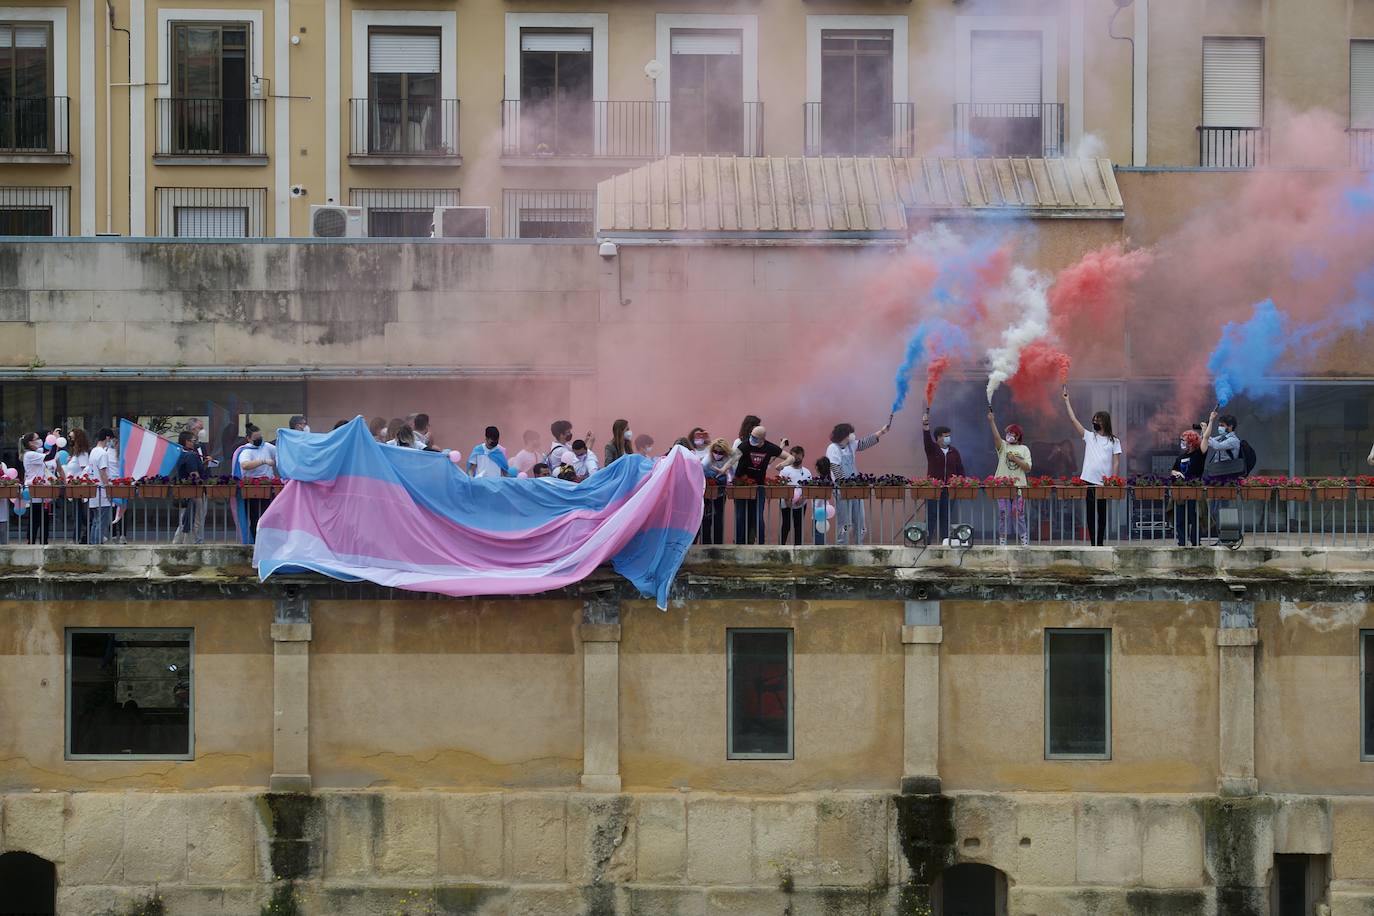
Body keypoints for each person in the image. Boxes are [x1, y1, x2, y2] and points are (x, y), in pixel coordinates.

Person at [1062, 388, 1122, 546]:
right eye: (1094, 420)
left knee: (1102, 513)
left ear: (1104, 422)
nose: (1095, 422)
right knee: (1090, 513)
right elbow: (1073, 420)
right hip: (1089, 480)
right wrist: (1067, 401)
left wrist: (1113, 480)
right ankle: (1093, 543)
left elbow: (1116, 461)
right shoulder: (1089, 436)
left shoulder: (1114, 441)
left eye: (1098, 420)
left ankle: (1100, 543)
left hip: (1104, 482)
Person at [825, 421, 890, 546]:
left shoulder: (851, 445)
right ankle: (842, 546)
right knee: (845, 521)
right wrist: (845, 485)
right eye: (850, 433)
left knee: (859, 519)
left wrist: (882, 432)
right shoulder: (833, 448)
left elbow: (864, 443)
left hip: (855, 489)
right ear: (844, 434)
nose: (853, 435)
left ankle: (859, 544)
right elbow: (835, 468)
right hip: (842, 490)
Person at [987, 407, 1033, 547]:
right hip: (1002, 486)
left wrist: (1015, 459)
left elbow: (1028, 467)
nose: (1010, 435)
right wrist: (992, 421)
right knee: (1003, 513)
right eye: (1008, 433)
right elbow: (996, 437)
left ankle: (1023, 539)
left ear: (1018, 436)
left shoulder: (1024, 449)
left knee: (1018, 513)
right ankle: (1002, 540)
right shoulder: (1003, 447)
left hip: (1019, 487)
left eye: (1013, 434)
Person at [734, 425, 785, 544]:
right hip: (742, 485)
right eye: (752, 434)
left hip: (758, 485)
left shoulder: (767, 447)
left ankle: (760, 544)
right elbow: (733, 459)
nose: (753, 438)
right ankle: (740, 543)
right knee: (741, 516)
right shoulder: (742, 445)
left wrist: (781, 447)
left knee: (757, 517)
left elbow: (771, 458)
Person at [922, 409, 965, 545]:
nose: (948, 438)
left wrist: (962, 481)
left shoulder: (954, 451)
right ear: (939, 438)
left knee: (946, 516)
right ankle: (927, 542)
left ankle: (945, 541)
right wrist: (925, 426)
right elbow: (926, 440)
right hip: (934, 490)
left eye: (949, 436)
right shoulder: (932, 449)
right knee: (931, 515)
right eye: (946, 436)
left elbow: (960, 469)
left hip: (948, 490)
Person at [1201, 411, 1246, 539]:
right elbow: (1207, 441)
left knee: (1222, 508)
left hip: (1226, 478)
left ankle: (1228, 535)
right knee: (1214, 508)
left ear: (1230, 426)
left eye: (1222, 425)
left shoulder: (1233, 440)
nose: (1219, 427)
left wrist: (1207, 428)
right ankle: (1221, 535)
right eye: (1219, 425)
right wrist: (1205, 431)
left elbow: (1216, 446)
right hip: (1218, 476)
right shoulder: (1222, 437)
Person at [237, 423, 278, 542]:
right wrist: (263, 461)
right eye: (256, 437)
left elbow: (280, 453)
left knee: (268, 517)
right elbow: (245, 465)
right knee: (255, 517)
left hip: (267, 487)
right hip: (252, 489)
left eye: (260, 436)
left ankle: (268, 541)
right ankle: (255, 541)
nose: (259, 439)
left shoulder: (267, 447)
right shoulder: (246, 451)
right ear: (249, 438)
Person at [170, 430, 205, 545]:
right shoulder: (190, 455)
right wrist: (201, 482)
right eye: (193, 441)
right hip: (194, 492)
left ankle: (177, 542)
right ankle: (190, 543)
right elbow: (194, 474)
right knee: (195, 519)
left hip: (185, 491)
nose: (195, 443)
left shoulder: (182, 454)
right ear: (187, 442)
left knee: (184, 519)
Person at [1171, 429, 1205, 547]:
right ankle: (1182, 542)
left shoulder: (1199, 454)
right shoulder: (1180, 457)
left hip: (1194, 490)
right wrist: (1176, 473)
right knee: (1180, 518)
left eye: (1184, 440)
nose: (1182, 442)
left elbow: (1205, 440)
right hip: (1181, 491)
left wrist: (1206, 427)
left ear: (1191, 442)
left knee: (1194, 516)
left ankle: (1196, 542)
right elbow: (1173, 469)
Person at [699, 438, 736, 545]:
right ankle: (705, 543)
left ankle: (718, 544)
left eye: (720, 453)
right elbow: (700, 472)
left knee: (718, 518)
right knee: (706, 518)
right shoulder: (707, 460)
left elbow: (732, 474)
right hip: (707, 491)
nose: (717, 454)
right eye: (715, 452)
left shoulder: (728, 460)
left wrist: (729, 481)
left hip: (721, 492)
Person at [774, 445, 812, 546]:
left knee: (799, 527)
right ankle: (781, 547)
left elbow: (809, 487)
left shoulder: (807, 472)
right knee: (786, 526)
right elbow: (781, 485)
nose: (796, 459)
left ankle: (798, 549)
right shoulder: (785, 470)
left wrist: (803, 498)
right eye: (794, 456)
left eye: (799, 456)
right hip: (786, 504)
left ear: (803, 456)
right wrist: (787, 500)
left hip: (801, 504)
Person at [20, 432, 50, 544]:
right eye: (37, 439)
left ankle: (44, 541)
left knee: (44, 519)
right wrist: (55, 442)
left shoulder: (35, 453)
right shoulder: (30, 455)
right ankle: (31, 541)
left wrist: (50, 440)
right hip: (35, 490)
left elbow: (46, 451)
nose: (39, 440)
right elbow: (49, 456)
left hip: (41, 490)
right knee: (35, 519)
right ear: (30, 443)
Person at [87, 427, 116, 546]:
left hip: (94, 491)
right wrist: (108, 488)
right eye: (112, 439)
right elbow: (103, 472)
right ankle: (98, 545)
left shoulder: (93, 451)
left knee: (95, 521)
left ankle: (93, 543)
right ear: (108, 438)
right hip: (102, 492)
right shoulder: (103, 453)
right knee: (101, 522)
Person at [65, 428, 92, 544]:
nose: (70, 441)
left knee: (79, 514)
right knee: (78, 514)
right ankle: (85, 534)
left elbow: (85, 469)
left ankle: (77, 537)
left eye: (72, 438)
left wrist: (80, 483)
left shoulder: (82, 454)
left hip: (78, 487)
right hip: (74, 487)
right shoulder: (75, 453)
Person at [811, 456, 834, 545]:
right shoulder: (829, 480)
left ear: (817, 468)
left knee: (817, 532)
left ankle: (819, 549)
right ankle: (822, 546)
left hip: (818, 510)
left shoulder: (818, 481)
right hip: (824, 509)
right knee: (820, 531)